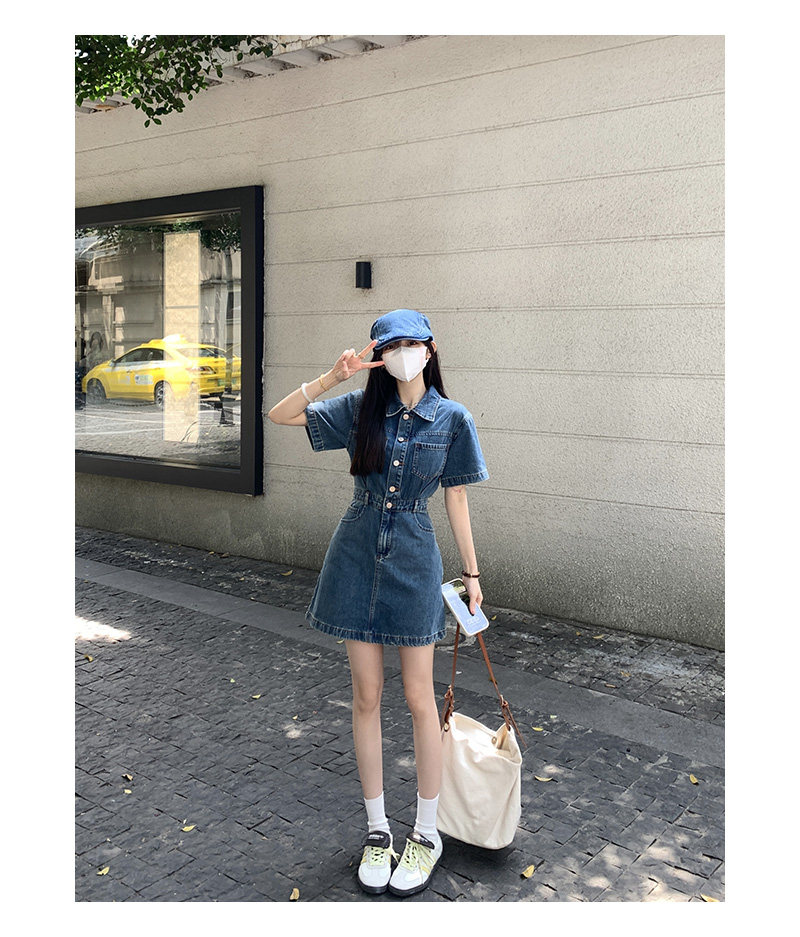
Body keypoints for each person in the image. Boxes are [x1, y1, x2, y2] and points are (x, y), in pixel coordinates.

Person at [267, 309, 490, 897]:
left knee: (419, 698)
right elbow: (279, 414)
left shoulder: (454, 419)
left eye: (410, 344)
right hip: (355, 554)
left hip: (415, 558)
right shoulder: (360, 409)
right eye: (389, 347)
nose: (401, 354)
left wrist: (472, 573)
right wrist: (331, 377)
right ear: (378, 356)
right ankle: (377, 830)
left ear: (430, 350)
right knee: (366, 695)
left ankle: (426, 833)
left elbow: (457, 499)